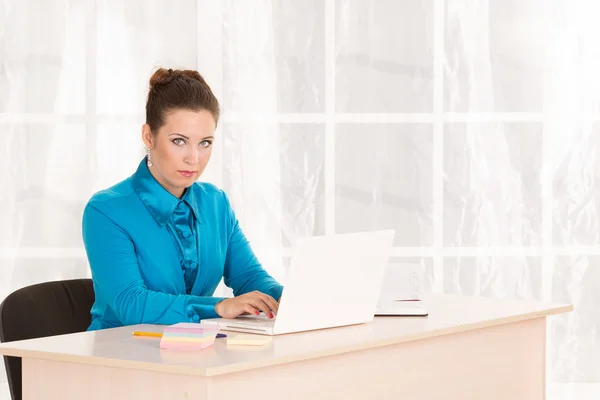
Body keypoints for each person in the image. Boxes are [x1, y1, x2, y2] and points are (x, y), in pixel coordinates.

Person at [82, 67, 282, 331]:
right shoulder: (106, 210)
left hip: (191, 356)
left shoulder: (216, 203)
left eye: (205, 143)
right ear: (148, 136)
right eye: (179, 141)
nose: (194, 158)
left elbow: (250, 277)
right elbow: (131, 303)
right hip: (118, 357)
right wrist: (217, 307)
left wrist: (296, 300)